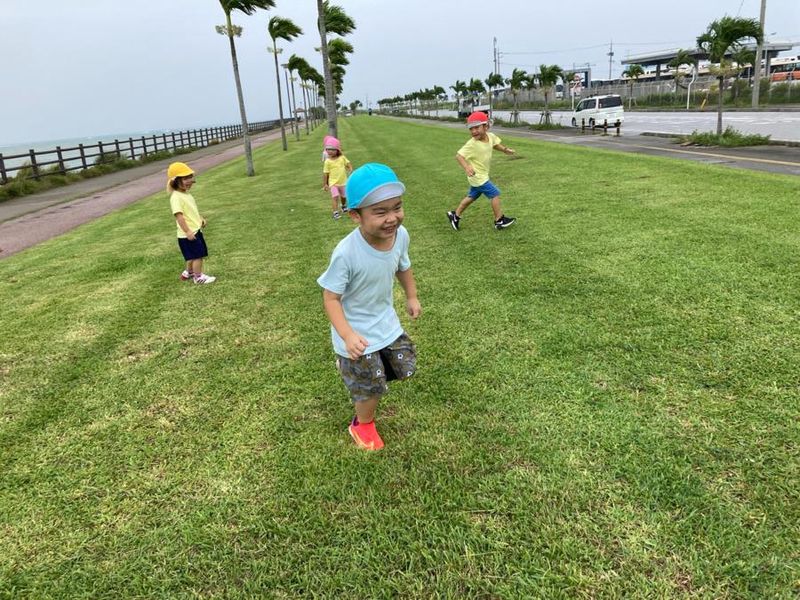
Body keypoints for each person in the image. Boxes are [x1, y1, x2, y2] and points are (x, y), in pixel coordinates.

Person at [317, 163, 421, 451]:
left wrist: (411, 296)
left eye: (397, 207)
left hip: (385, 322)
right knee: (369, 387)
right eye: (380, 212)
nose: (392, 218)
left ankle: (357, 373)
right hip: (356, 334)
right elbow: (330, 298)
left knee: (402, 365)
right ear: (355, 215)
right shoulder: (346, 253)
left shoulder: (400, 235)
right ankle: (362, 425)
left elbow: (403, 266)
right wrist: (347, 335)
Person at [446, 111, 517, 231]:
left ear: (486, 126)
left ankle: (455, 215)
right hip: (477, 176)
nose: (474, 131)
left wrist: (505, 150)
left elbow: (495, 144)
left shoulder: (491, 136)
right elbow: (459, 156)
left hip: (481, 175)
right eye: (471, 129)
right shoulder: (472, 144)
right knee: (495, 194)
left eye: (477, 127)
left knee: (471, 197)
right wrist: (467, 167)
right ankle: (499, 220)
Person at [167, 162, 216, 284]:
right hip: (189, 233)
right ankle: (198, 277)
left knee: (191, 256)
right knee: (198, 255)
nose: (189, 181)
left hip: (195, 230)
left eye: (190, 177)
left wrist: (200, 219)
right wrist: (187, 231)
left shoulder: (185, 194)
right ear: (175, 181)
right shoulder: (176, 197)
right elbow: (179, 216)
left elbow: (191, 211)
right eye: (185, 178)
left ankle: (188, 272)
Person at [322, 136, 353, 220]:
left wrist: (350, 169)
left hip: (343, 182)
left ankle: (343, 206)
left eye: (332, 149)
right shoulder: (327, 161)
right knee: (335, 196)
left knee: (344, 196)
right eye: (328, 149)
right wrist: (325, 184)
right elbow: (325, 173)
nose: (329, 151)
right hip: (333, 183)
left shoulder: (342, 158)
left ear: (337, 150)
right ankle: (335, 212)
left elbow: (348, 164)